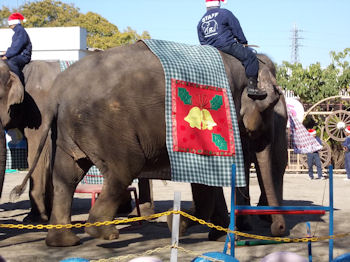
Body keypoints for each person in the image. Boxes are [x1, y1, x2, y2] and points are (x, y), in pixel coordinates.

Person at [197, 0, 266, 99]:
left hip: (210, 51)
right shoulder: (225, 13)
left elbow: (202, 41)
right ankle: (252, 86)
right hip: (227, 46)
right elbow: (236, 29)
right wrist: (243, 43)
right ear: (218, 3)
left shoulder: (201, 21)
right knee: (250, 57)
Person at [1, 13, 32, 86]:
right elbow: (15, 47)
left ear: (13, 24)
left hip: (24, 56)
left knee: (11, 62)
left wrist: (7, 55)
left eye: (10, 25)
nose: (9, 27)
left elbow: (16, 47)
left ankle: (19, 83)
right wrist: (6, 52)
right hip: (19, 54)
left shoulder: (20, 31)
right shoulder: (18, 31)